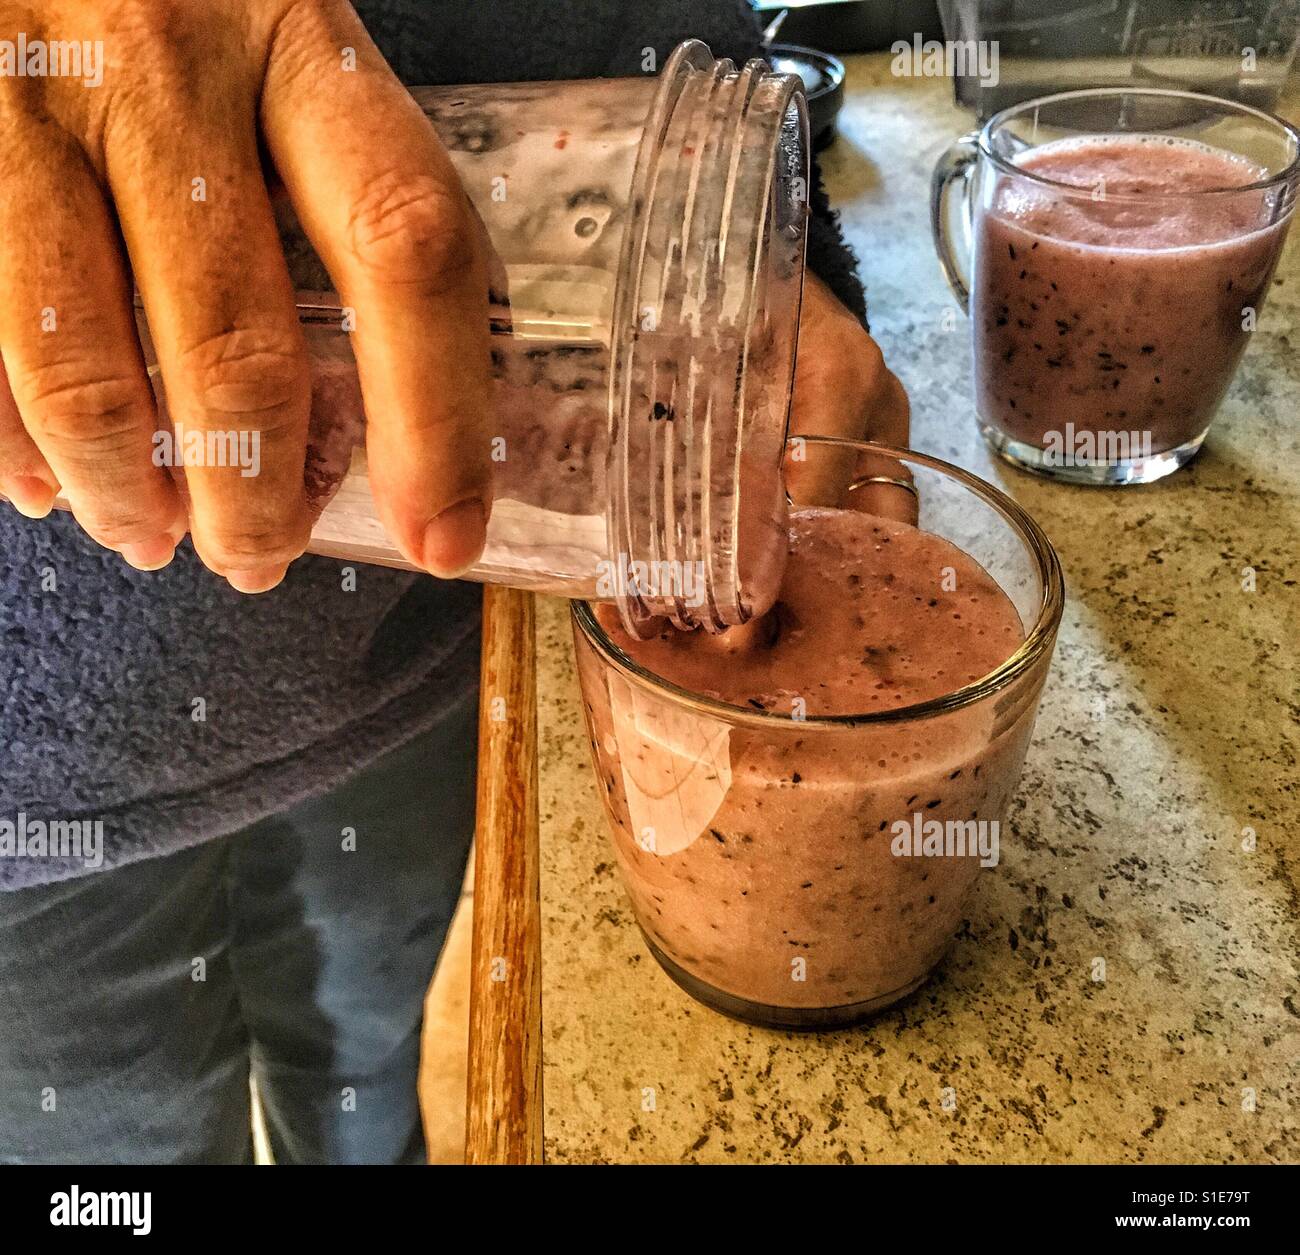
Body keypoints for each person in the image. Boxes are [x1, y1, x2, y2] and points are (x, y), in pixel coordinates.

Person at [0, 0, 908, 1163]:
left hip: (414, 639)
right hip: (37, 773)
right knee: (121, 1151)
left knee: (367, 1067)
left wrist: (753, 232)